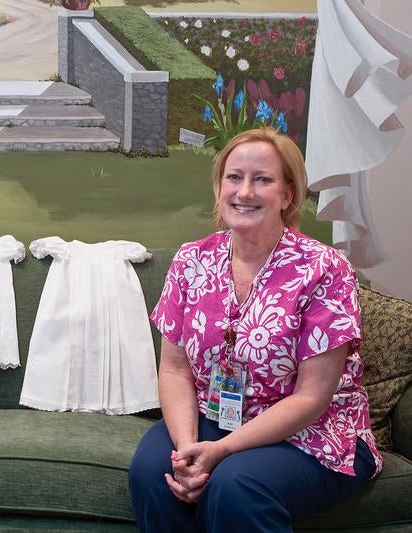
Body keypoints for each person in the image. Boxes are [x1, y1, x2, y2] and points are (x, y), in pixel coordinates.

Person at [128, 128, 383, 533]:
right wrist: (188, 449)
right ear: (218, 187)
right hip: (216, 418)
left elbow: (313, 397)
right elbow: (175, 370)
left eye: (262, 179)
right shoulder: (191, 261)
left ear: (287, 195)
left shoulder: (325, 269)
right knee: (152, 472)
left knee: (234, 485)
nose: (244, 191)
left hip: (312, 434)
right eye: (234, 177)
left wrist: (221, 452)